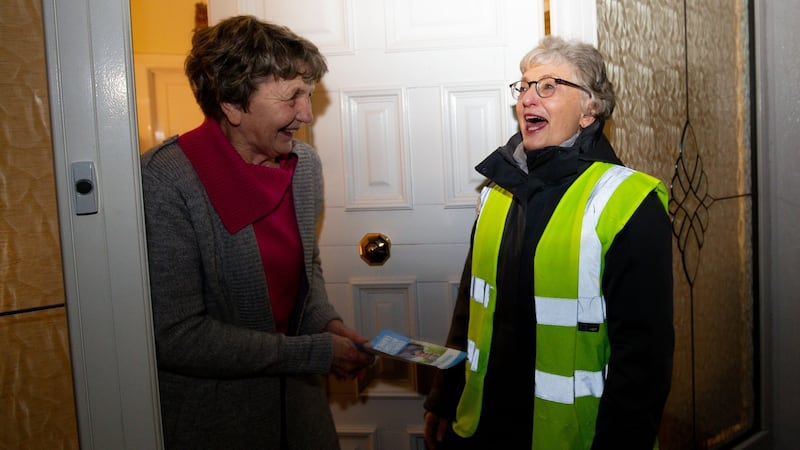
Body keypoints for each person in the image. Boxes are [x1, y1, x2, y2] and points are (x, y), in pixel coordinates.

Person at [422, 35, 674, 449]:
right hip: (481, 427)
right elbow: (470, 308)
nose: (527, 99)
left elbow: (644, 355)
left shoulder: (629, 201)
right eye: (523, 87)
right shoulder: (495, 192)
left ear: (589, 110)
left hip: (573, 437)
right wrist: (445, 397)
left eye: (549, 86)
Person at [140, 15, 374, 450]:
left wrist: (328, 323)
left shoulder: (304, 167)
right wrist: (317, 353)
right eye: (292, 98)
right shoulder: (165, 180)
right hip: (216, 421)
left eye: (308, 95)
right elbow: (176, 336)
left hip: (300, 412)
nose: (306, 114)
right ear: (232, 103)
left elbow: (307, 267)